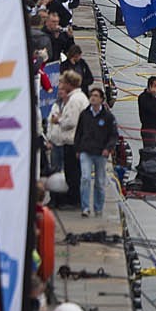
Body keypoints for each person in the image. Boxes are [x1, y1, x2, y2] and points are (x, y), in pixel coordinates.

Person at [74, 86, 118, 217]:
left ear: (101, 99)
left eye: (96, 96)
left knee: (99, 182)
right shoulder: (84, 115)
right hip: (86, 151)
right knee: (86, 178)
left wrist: (108, 148)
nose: (93, 98)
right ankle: (85, 207)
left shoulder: (108, 117)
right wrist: (77, 148)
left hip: (100, 153)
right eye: (91, 95)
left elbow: (113, 135)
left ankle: (98, 207)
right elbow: (79, 133)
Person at [47, 75, 90, 208]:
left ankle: (74, 200)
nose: (60, 85)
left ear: (69, 83)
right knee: (72, 173)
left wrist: (59, 120)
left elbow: (70, 121)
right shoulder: (79, 97)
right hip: (73, 141)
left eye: (63, 82)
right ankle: (72, 199)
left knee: (73, 174)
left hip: (72, 142)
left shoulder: (74, 100)